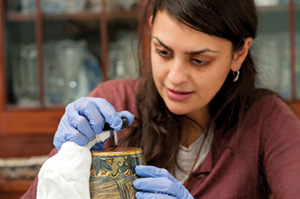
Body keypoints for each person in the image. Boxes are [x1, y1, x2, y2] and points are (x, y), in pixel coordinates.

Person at [22, 0, 300, 198]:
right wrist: (62, 165)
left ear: (239, 53)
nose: (175, 76)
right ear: (152, 28)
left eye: (199, 60)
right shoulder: (113, 104)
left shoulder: (266, 120)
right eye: (163, 52)